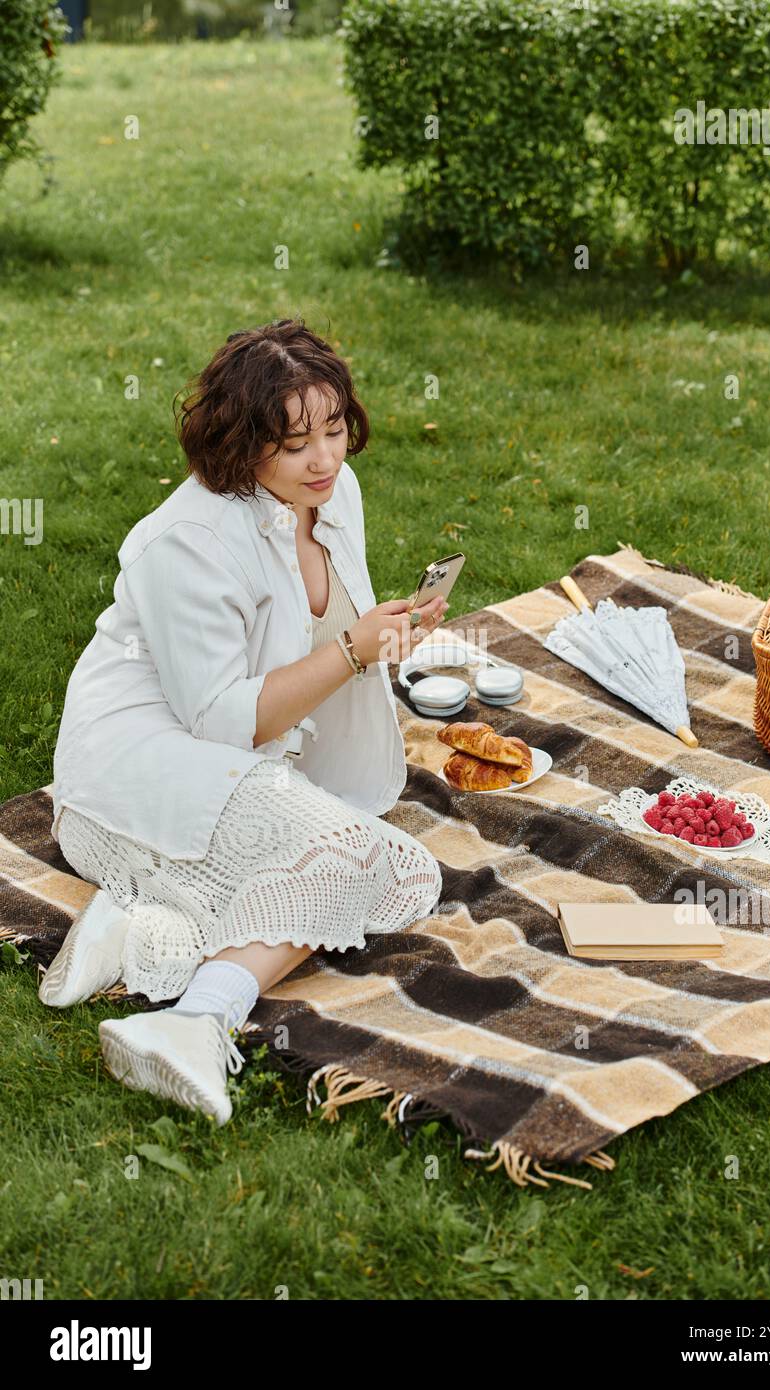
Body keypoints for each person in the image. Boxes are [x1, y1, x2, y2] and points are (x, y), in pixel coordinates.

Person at [41, 316, 446, 1124]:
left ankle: (138, 931)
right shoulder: (185, 542)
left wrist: (380, 634)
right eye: (296, 444)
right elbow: (222, 722)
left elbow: (322, 638)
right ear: (240, 443)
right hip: (133, 770)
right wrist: (358, 654)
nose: (325, 458)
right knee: (364, 860)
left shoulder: (329, 494)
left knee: (399, 869)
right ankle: (196, 1019)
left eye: (334, 429)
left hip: (235, 765)